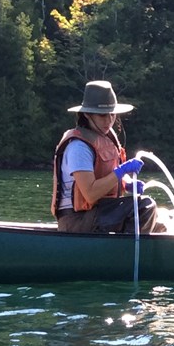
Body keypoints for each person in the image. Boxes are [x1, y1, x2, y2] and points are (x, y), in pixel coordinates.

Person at [52, 80, 158, 234]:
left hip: (99, 215)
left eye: (112, 114)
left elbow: (108, 174)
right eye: (102, 115)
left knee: (159, 224)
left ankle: (130, 249)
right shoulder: (78, 147)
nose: (109, 121)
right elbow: (90, 194)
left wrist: (127, 183)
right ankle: (123, 255)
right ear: (87, 114)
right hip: (76, 221)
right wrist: (122, 171)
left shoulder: (106, 138)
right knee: (145, 206)